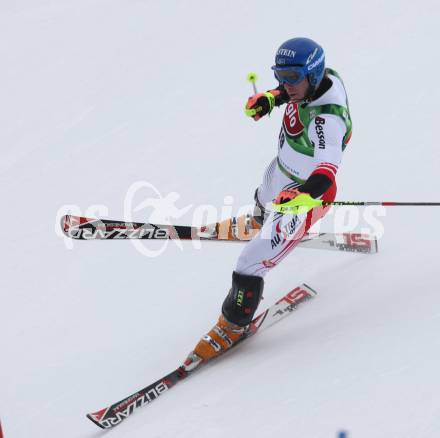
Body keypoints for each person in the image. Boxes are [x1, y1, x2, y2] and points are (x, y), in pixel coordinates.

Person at [187, 37, 352, 365]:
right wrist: (269, 98)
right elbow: (288, 91)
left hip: (306, 194)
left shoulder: (326, 120)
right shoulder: (319, 79)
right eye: (280, 75)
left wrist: (302, 196)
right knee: (263, 194)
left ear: (312, 76)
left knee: (249, 262)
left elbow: (326, 173)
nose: (285, 85)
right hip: (282, 170)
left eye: (292, 78)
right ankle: (263, 221)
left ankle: (233, 325)